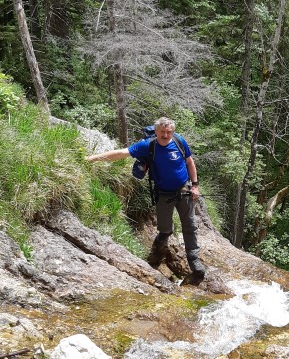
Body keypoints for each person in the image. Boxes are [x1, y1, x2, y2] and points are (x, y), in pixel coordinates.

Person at [86, 117, 206, 277]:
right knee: (165, 230)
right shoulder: (147, 145)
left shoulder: (178, 141)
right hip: (163, 193)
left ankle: (194, 260)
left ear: (173, 131)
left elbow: (189, 162)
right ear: (156, 131)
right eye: (162, 132)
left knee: (190, 226)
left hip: (184, 190)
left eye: (169, 132)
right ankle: (157, 255)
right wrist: (91, 159)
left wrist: (195, 185)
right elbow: (121, 153)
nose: (165, 135)